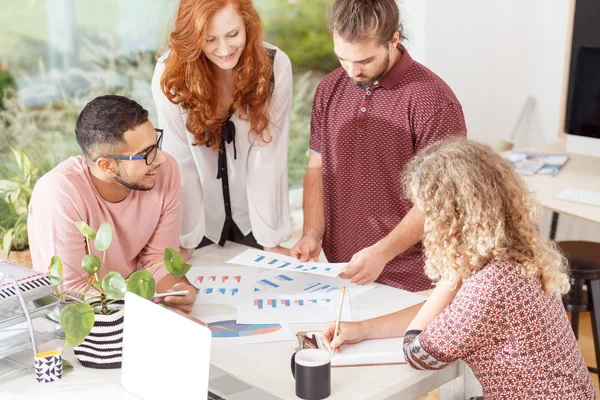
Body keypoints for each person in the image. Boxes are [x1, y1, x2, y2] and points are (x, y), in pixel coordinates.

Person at [321, 139, 597, 399]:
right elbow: (444, 316)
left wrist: (449, 280)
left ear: (454, 218)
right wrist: (363, 328)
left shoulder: (491, 283)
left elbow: (417, 353)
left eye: (428, 213)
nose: (426, 226)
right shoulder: (514, 255)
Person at [290, 0, 467, 291]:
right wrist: (312, 232)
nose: (351, 71)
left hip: (413, 279)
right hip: (343, 271)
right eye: (343, 59)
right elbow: (317, 166)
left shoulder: (433, 101)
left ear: (394, 39)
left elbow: (439, 202)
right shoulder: (329, 89)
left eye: (364, 61)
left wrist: (382, 253)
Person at [28, 95, 197, 313]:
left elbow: (158, 259)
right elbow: (70, 290)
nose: (160, 159)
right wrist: (153, 317)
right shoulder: (59, 193)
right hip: (74, 322)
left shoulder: (164, 172)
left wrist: (178, 291)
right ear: (107, 165)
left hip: (135, 304)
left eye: (156, 145)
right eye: (146, 154)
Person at [152, 0, 292, 262]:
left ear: (247, 24)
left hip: (254, 221)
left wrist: (270, 238)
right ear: (193, 37)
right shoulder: (169, 72)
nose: (225, 49)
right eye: (210, 39)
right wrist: (186, 238)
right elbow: (180, 160)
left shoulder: (274, 66)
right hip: (199, 223)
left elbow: (269, 156)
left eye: (233, 34)